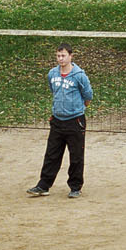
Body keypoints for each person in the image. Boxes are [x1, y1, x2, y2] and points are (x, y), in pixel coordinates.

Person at [27, 45, 92, 198]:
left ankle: (75, 187)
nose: (60, 59)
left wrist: (78, 108)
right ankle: (44, 185)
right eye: (58, 56)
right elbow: (53, 90)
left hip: (75, 121)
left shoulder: (79, 76)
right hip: (57, 120)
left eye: (63, 56)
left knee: (76, 156)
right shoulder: (52, 74)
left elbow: (88, 95)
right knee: (51, 154)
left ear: (71, 56)